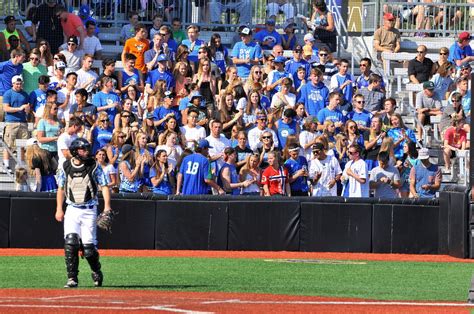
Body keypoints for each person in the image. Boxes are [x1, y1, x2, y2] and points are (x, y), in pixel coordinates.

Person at [55, 138, 111, 288]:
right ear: (75, 151)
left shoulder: (93, 166)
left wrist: (107, 206)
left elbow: (104, 186)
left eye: (87, 149)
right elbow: (60, 189)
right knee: (71, 243)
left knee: (88, 249)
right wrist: (59, 209)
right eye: (83, 149)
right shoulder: (65, 166)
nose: (86, 152)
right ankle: (72, 278)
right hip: (72, 209)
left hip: (89, 210)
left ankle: (96, 271)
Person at [2, 75, 30, 174]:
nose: (19, 85)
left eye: (20, 83)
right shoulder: (8, 93)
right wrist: (19, 108)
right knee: (8, 144)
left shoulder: (25, 94)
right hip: (11, 122)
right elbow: (6, 108)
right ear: (13, 84)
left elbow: (27, 108)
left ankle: (21, 165)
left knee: (22, 145)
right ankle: (6, 164)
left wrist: (27, 109)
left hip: (23, 122)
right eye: (17, 84)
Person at [0, 49, 25, 121]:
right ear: (17, 56)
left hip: (13, 94)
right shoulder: (4, 65)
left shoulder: (20, 67)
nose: (24, 59)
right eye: (22, 57)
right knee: (1, 115)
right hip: (2, 94)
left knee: (11, 116)